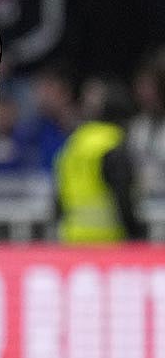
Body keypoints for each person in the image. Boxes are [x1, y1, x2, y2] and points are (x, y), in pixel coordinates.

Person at [55, 76, 143, 243]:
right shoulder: (112, 144)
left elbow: (59, 192)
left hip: (71, 238)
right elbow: (123, 195)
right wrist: (135, 232)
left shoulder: (75, 141)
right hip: (106, 240)